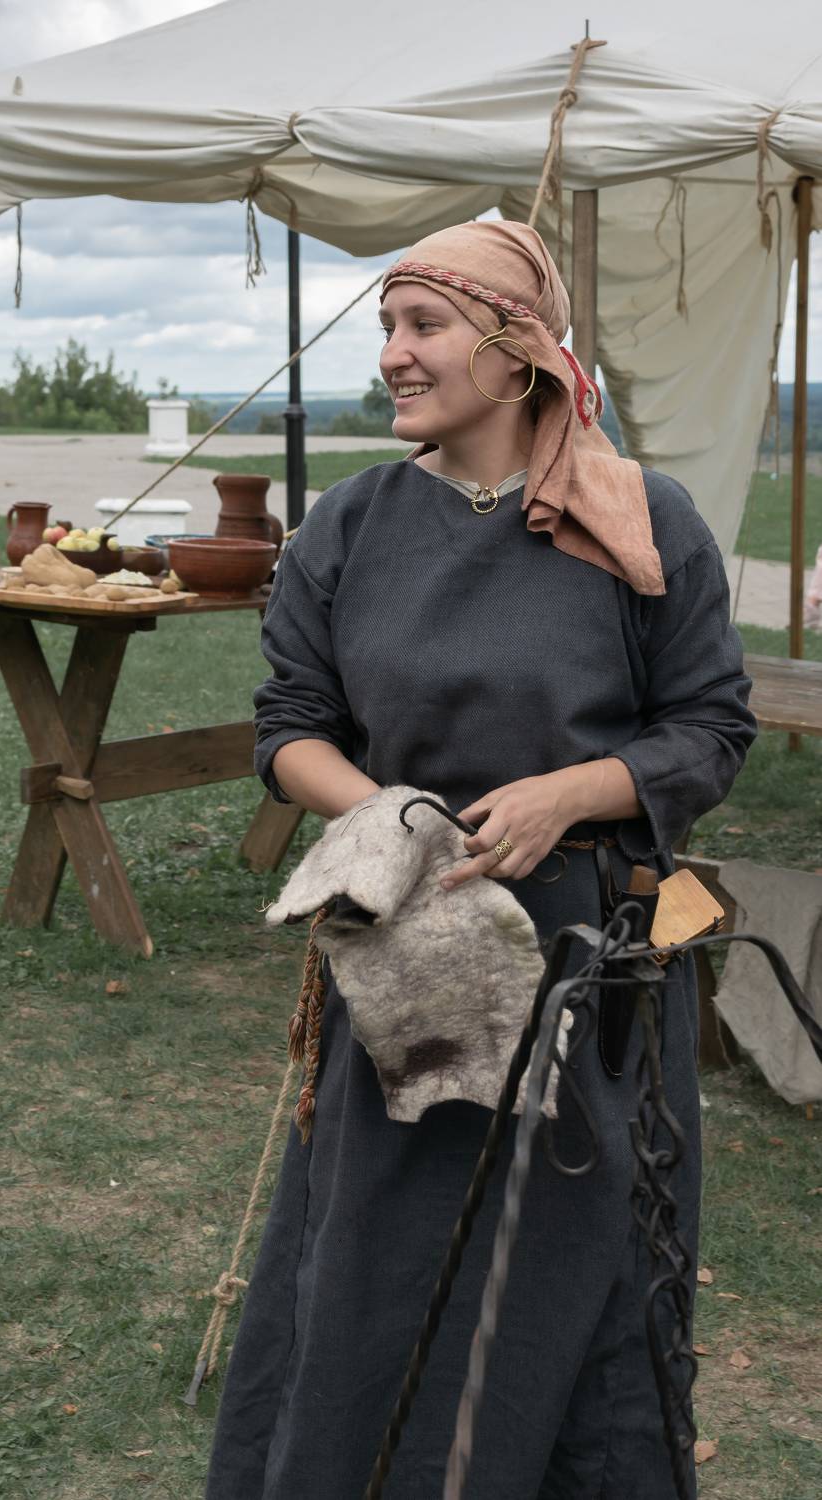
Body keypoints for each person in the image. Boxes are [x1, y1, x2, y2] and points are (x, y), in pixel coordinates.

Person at [204, 221, 756, 1500]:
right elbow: (289, 728)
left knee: (567, 1276)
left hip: (590, 970)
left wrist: (570, 794)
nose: (393, 355)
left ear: (516, 353)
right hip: (407, 957)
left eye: (424, 326)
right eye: (387, 329)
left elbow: (709, 729)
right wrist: (398, 817)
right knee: (380, 1267)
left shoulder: (643, 519)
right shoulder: (351, 525)